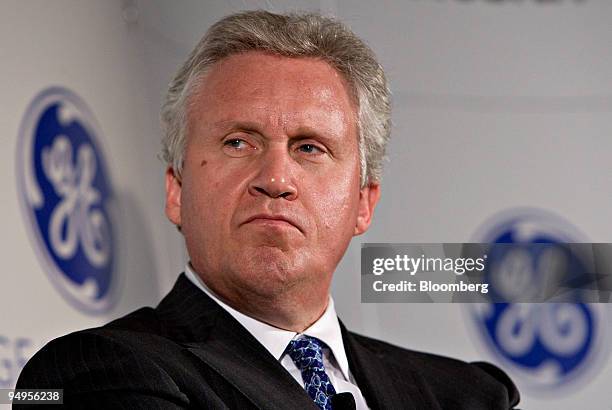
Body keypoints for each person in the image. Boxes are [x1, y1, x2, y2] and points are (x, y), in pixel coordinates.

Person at [15, 10, 520, 410]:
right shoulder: (96, 374)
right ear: (176, 191)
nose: (275, 180)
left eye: (309, 148)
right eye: (238, 142)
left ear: (364, 203)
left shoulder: (468, 394)